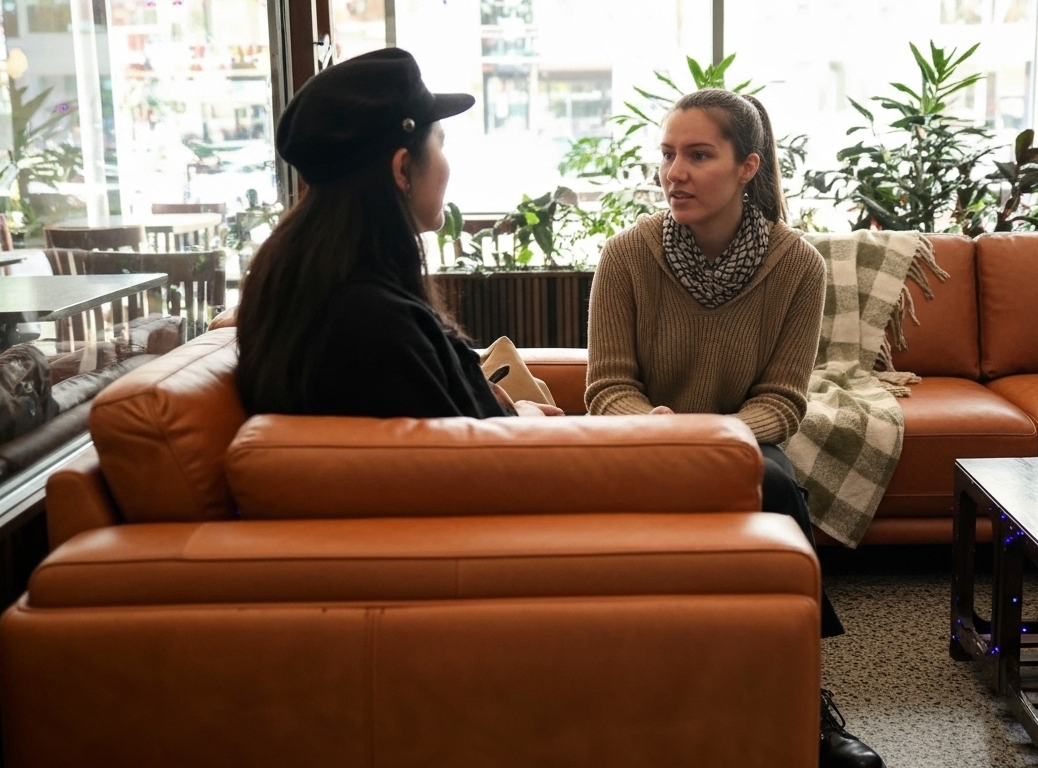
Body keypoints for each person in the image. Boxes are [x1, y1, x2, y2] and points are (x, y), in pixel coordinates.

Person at [585, 88, 885, 768]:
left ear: (747, 168)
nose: (674, 173)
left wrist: (715, 441)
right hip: (642, 445)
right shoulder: (626, 256)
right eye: (667, 155)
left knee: (777, 487)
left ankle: (807, 708)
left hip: (739, 444)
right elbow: (607, 389)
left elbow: (782, 401)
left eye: (698, 155)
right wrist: (658, 431)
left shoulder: (796, 265)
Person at [236, 48, 561, 420]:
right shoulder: (373, 322)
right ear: (403, 168)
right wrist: (527, 424)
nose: (446, 165)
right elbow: (465, 463)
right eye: (441, 144)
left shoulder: (312, 284)